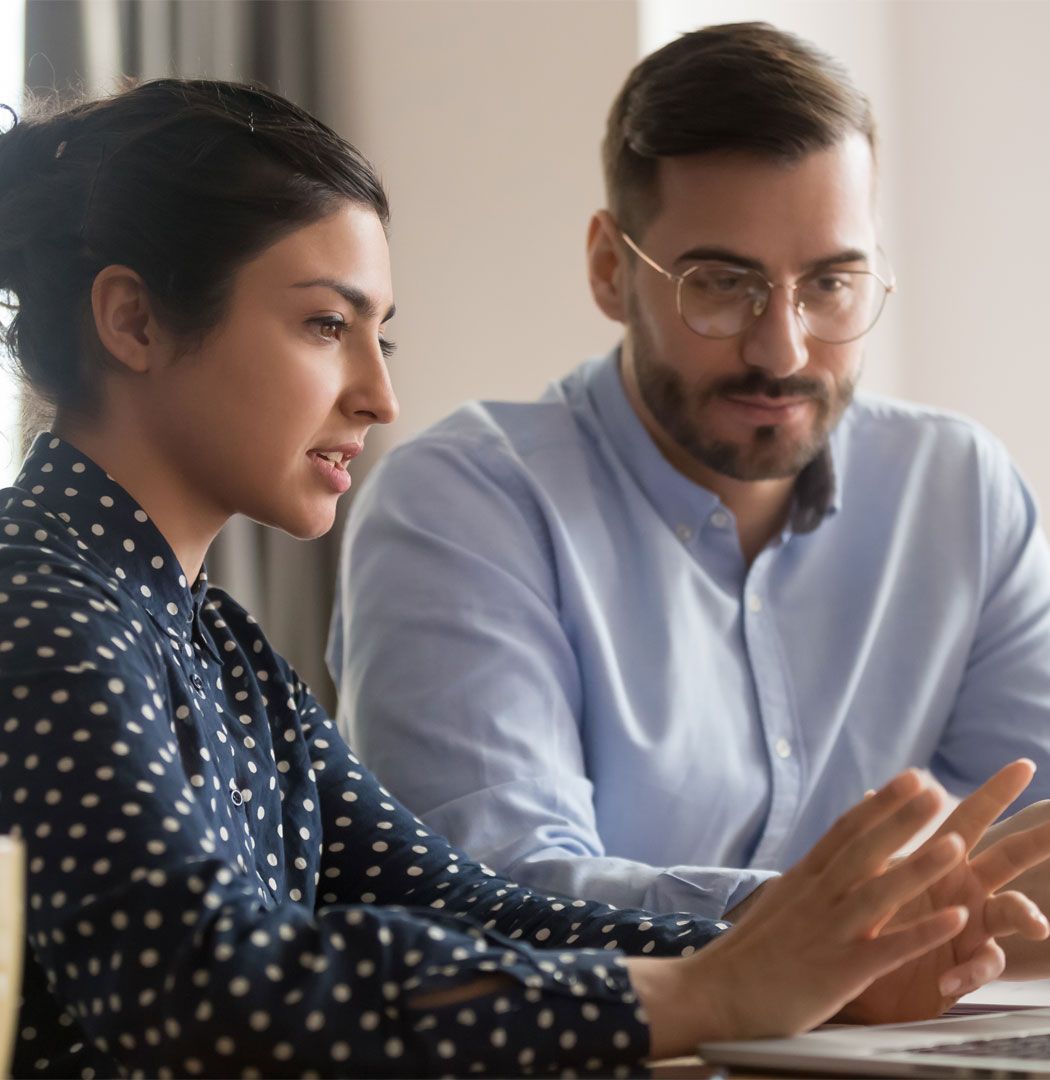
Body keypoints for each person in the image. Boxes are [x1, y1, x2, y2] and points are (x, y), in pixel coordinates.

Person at [5, 76, 1050, 1080]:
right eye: (328, 325)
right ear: (134, 322)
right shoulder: (37, 608)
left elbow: (463, 905)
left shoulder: (216, 646)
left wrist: (811, 959)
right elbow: (204, 992)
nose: (380, 395)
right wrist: (711, 994)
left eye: (383, 334)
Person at [329, 21, 1050, 974]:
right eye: (722, 284)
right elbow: (495, 893)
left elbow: (1022, 851)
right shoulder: (461, 505)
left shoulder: (960, 492)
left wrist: (910, 920)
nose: (781, 350)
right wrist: (836, 925)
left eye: (831, 284)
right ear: (609, 268)